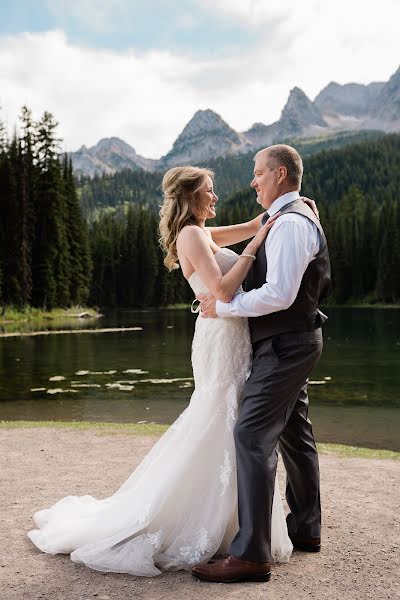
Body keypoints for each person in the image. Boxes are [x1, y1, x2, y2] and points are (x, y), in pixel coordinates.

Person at [27, 163, 316, 578]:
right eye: (209, 190)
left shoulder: (199, 231)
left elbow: (249, 224)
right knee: (222, 419)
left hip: (230, 336)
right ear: (190, 196)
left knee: (232, 421)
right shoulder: (191, 234)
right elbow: (222, 290)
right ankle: (219, 526)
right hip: (220, 338)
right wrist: (257, 245)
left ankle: (238, 526)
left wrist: (285, 212)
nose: (215, 196)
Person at [191, 144, 331, 584]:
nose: (253, 180)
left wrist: (223, 308)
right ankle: (306, 529)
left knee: (251, 433)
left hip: (287, 343)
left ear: (282, 174)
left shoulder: (291, 223)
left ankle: (251, 554)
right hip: (292, 340)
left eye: (258, 173)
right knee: (295, 432)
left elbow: (279, 295)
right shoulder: (283, 219)